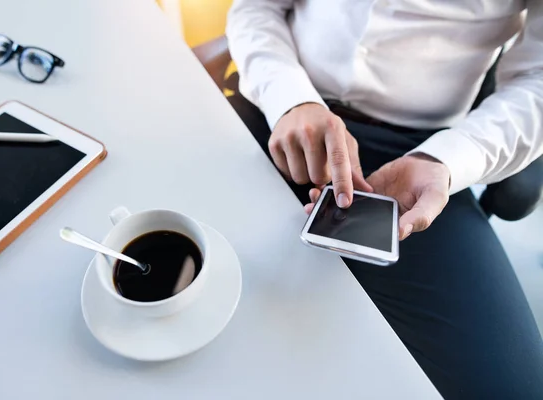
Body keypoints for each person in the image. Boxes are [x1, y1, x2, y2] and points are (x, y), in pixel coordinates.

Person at [226, 1, 543, 398]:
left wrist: (446, 160)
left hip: (425, 156)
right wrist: (289, 98)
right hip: (282, 111)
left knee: (512, 387)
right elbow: (255, 9)